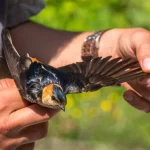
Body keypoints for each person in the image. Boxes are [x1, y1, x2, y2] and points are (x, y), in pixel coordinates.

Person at [1, 0, 150, 149]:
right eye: (56, 101)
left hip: (28, 65)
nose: (59, 106)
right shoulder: (33, 92)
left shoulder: (56, 87)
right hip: (24, 67)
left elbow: (8, 26)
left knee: (89, 83)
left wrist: (111, 48)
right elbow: (13, 55)